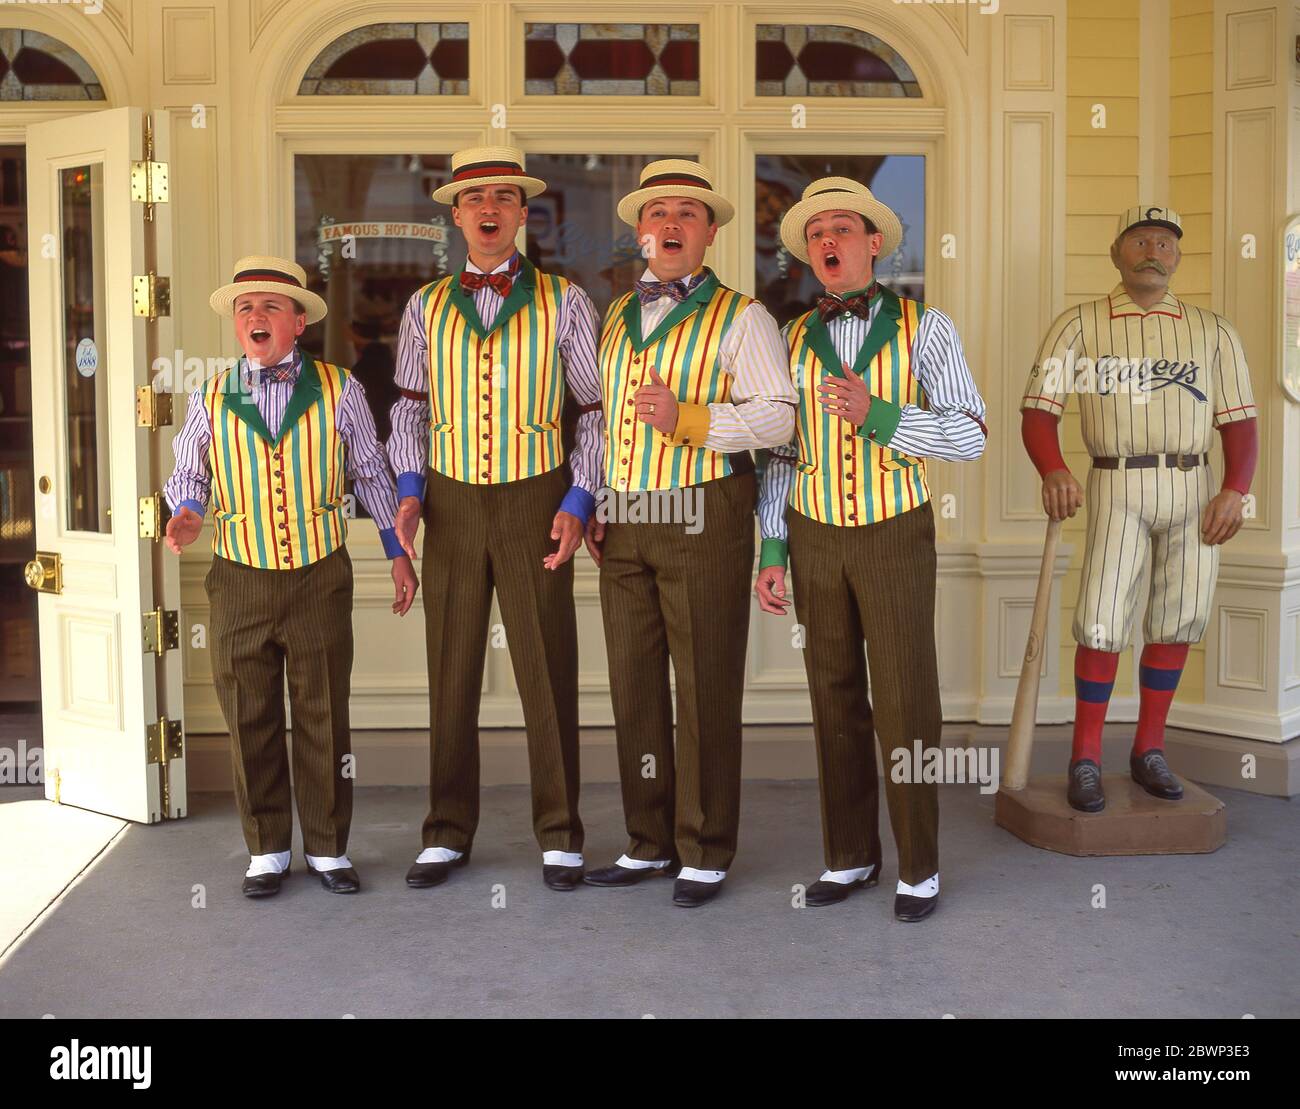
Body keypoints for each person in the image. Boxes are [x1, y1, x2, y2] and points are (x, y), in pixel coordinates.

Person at [755, 178, 987, 922]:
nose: (829, 240)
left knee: (906, 698)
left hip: (894, 530)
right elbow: (782, 456)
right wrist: (771, 545)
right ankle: (849, 854)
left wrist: (882, 415)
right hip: (815, 534)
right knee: (833, 698)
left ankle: (918, 864)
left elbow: (971, 432)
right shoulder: (790, 338)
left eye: (843, 228)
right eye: (817, 231)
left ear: (873, 243)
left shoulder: (927, 327)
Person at [164, 255, 417, 898]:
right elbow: (190, 473)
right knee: (248, 712)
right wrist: (187, 515)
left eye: (272, 306)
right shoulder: (213, 394)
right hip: (240, 574)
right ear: (236, 324)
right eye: (246, 307)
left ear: (296, 322)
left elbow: (370, 470)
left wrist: (396, 550)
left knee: (321, 711)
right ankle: (267, 848)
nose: (256, 316)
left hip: (318, 573)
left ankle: (328, 846)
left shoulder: (339, 388)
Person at [389, 147, 605, 892]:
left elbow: (596, 408)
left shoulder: (564, 301)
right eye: (474, 197)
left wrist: (580, 498)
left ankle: (560, 832)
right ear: (456, 214)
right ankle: (446, 831)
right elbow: (409, 409)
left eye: (503, 197)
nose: (488, 209)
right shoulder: (424, 307)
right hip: (449, 499)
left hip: (535, 495)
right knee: (450, 666)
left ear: (522, 212)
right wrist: (409, 490)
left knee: (548, 665)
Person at [582, 160, 797, 907]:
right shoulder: (614, 314)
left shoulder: (746, 316)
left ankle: (704, 845)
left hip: (704, 511)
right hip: (629, 518)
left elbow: (780, 417)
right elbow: (606, 420)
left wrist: (693, 420)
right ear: (641, 230)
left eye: (688, 213)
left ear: (710, 232)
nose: (670, 225)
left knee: (704, 683)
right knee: (635, 686)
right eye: (658, 212)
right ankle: (648, 840)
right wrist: (601, 497)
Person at [1019, 206, 1258, 813]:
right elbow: (1038, 411)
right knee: (1101, 618)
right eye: (1141, 240)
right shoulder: (1079, 324)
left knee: (1179, 618)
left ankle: (1149, 750)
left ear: (1177, 256)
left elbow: (1239, 422)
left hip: (1192, 484)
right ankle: (1086, 756)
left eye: (1166, 242)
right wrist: (1053, 468)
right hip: (1117, 480)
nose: (1155, 250)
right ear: (1117, 252)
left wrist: (1236, 488)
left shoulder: (1213, 330)